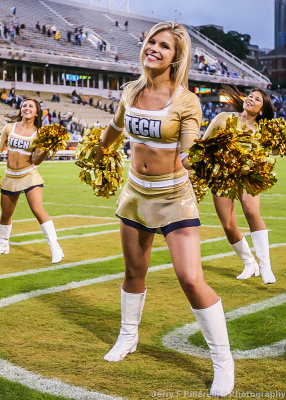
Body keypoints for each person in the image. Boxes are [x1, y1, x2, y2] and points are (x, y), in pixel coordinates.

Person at [93, 21, 234, 397]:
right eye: (151, 42)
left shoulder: (186, 101)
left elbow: (189, 149)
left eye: (164, 46)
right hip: (135, 194)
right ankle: (128, 337)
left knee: (190, 278)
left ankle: (223, 361)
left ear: (176, 57)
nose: (153, 48)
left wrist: (198, 160)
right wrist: (98, 151)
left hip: (173, 196)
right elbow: (114, 128)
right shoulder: (130, 91)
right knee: (133, 271)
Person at [203, 86, 276, 284]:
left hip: (249, 175)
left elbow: (266, 158)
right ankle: (249, 262)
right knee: (228, 224)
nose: (251, 99)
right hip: (222, 174)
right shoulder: (223, 118)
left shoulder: (263, 130)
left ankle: (265, 265)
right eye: (250, 96)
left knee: (251, 211)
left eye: (257, 99)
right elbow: (204, 143)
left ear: (262, 109)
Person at [0, 99, 64, 264]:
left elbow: (36, 161)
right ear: (21, 110)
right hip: (10, 176)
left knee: (38, 210)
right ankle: (3, 243)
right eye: (24, 105)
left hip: (29, 175)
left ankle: (55, 247)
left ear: (36, 112)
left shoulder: (39, 134)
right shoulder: (9, 128)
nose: (27, 108)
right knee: (6, 214)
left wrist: (47, 150)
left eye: (31, 106)